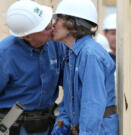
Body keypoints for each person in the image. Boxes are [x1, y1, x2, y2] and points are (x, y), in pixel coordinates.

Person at [0, 0, 65, 135]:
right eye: (45, 27)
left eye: (49, 22)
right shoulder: (4, 54)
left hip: (45, 124)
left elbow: (69, 82)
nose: (51, 28)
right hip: (11, 125)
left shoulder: (56, 45)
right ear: (27, 35)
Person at [51, 0, 118, 135]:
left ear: (72, 24)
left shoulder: (90, 55)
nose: (53, 24)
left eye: (57, 19)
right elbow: (70, 98)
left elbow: (92, 106)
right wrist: (62, 123)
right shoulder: (72, 52)